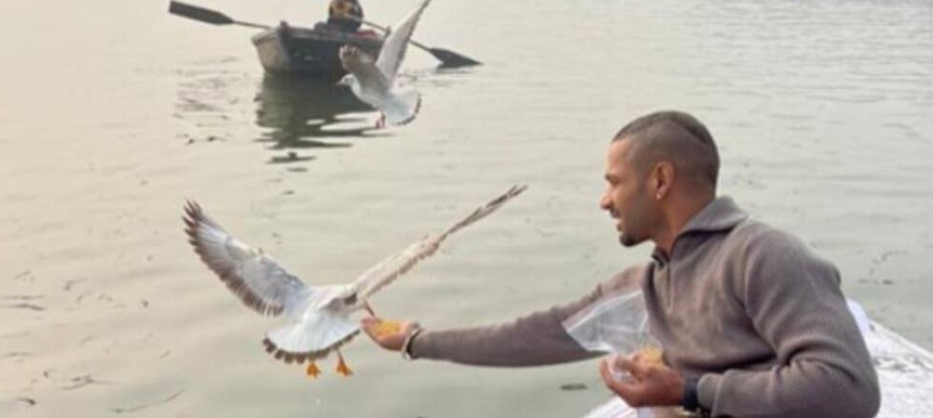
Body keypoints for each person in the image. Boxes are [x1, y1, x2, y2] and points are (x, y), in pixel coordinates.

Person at [362, 111, 880, 418]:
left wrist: (690, 391)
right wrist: (416, 340)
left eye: (613, 182)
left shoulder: (762, 255)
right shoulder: (649, 283)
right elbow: (539, 335)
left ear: (659, 180)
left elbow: (848, 386)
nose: (604, 201)